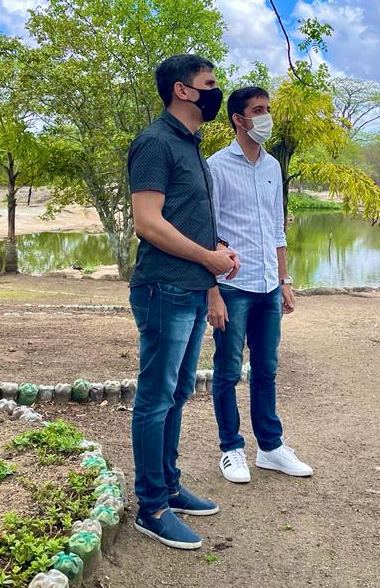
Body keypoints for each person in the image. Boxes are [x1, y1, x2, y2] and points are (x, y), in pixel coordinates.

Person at [127, 54, 241, 551]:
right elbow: (148, 222)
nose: (217, 91)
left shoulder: (190, 144)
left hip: (192, 288)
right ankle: (151, 506)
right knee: (155, 398)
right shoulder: (155, 142)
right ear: (182, 90)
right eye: (209, 83)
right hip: (163, 288)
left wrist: (217, 255)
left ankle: (170, 487)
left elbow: (190, 219)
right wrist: (206, 258)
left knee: (176, 393)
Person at [206, 86, 314, 484]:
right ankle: (231, 449)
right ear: (239, 119)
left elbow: (276, 228)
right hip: (232, 286)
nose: (266, 116)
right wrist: (212, 292)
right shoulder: (215, 167)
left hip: (268, 285)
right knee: (227, 370)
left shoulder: (272, 166)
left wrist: (285, 280)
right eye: (258, 110)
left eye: (268, 109)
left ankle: (270, 446)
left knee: (266, 368)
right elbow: (206, 233)